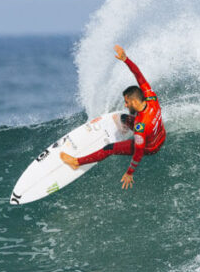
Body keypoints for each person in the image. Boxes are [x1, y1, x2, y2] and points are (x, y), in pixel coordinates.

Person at [60, 45, 166, 189]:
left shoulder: (140, 126)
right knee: (123, 118)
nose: (126, 104)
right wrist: (126, 60)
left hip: (150, 147)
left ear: (135, 101)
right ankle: (123, 129)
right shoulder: (151, 97)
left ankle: (76, 162)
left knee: (110, 148)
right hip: (160, 136)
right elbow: (139, 76)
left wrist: (130, 172)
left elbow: (139, 152)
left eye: (127, 102)